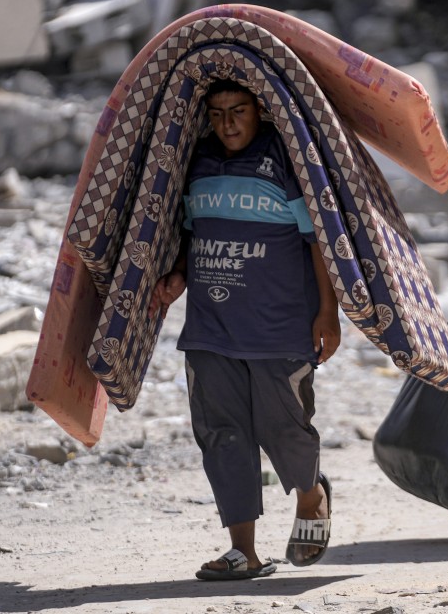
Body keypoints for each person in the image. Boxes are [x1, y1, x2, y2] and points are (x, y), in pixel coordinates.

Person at [148, 78, 341, 578]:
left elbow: (319, 239)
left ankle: (311, 492)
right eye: (216, 113)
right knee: (222, 436)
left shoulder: (288, 159)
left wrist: (328, 311)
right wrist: (179, 276)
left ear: (261, 111)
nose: (228, 123)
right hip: (211, 328)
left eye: (238, 110)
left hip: (279, 326)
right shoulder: (199, 161)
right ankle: (244, 553)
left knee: (284, 428)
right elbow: (193, 232)